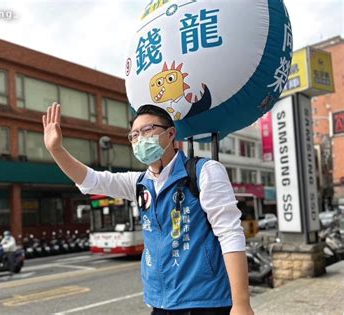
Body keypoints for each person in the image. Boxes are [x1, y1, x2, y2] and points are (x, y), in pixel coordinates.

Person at [43, 103, 254, 315]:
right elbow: (92, 180)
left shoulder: (204, 172)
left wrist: (241, 304)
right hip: (160, 303)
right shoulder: (139, 183)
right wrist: (56, 150)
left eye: (147, 130)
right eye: (134, 135)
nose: (140, 139)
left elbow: (230, 234)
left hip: (205, 302)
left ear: (171, 133)